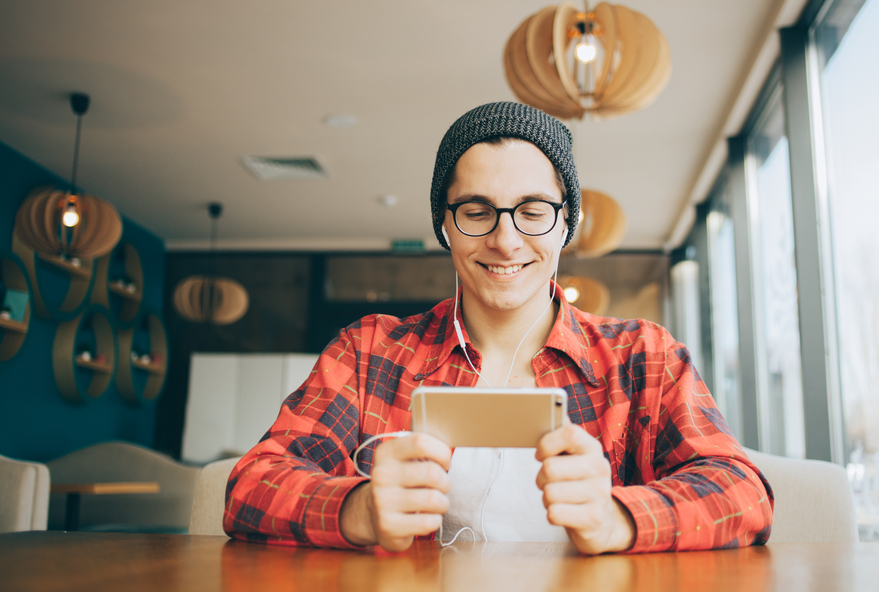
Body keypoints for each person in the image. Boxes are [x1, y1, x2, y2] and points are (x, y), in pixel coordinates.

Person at [224, 101, 773, 554]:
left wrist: (617, 519)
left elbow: (741, 490)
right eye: (477, 210)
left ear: (566, 224)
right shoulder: (369, 351)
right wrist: (356, 509)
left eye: (533, 210)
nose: (506, 241)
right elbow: (251, 485)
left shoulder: (642, 356)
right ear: (444, 223)